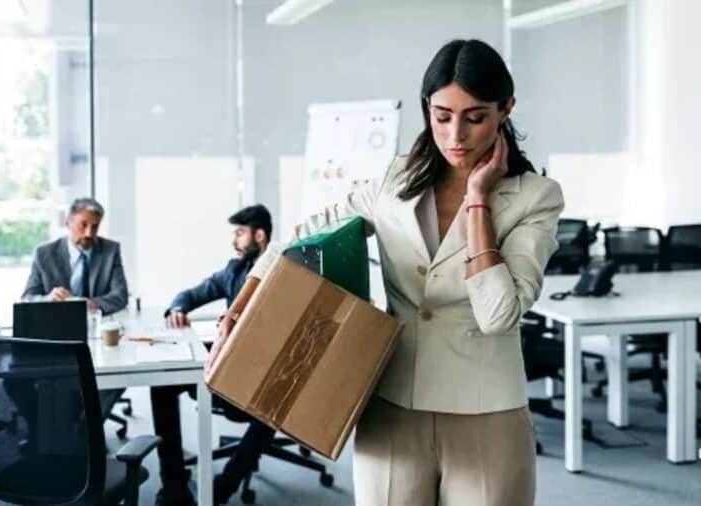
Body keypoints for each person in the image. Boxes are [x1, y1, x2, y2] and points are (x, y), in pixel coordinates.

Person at [210, 39, 564, 506]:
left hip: (486, 412)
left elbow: (499, 313)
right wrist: (240, 309)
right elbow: (300, 237)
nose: (455, 134)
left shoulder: (535, 196)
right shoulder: (397, 180)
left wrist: (478, 200)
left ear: (506, 110)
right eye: (442, 116)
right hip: (393, 407)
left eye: (474, 117)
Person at [153, 205, 276, 506]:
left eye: (239, 233)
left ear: (259, 235)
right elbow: (191, 294)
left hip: (262, 377)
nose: (234, 240)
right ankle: (174, 485)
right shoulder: (233, 271)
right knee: (161, 386)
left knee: (274, 413)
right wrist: (178, 309)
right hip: (228, 369)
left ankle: (221, 490)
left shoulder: (281, 273)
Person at [22, 197, 128, 315]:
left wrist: (92, 304)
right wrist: (48, 299)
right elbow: (27, 298)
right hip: (55, 324)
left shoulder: (110, 251)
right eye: (83, 225)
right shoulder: (44, 253)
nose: (89, 233)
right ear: (68, 223)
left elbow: (121, 296)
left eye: (95, 226)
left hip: (97, 324)